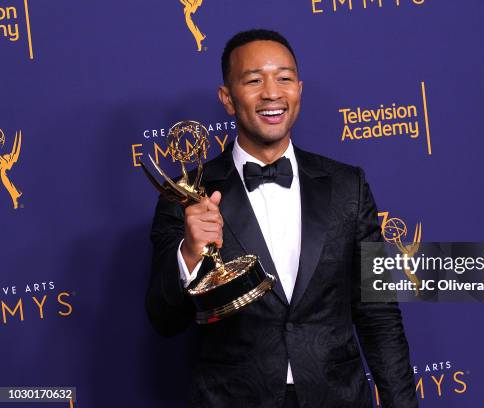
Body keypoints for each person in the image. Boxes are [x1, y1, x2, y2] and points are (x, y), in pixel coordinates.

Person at [146, 29, 418, 408]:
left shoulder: (347, 186)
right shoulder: (186, 193)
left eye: (284, 78)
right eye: (254, 80)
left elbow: (379, 314)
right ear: (227, 98)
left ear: (299, 90)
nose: (272, 93)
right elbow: (164, 320)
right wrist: (189, 256)